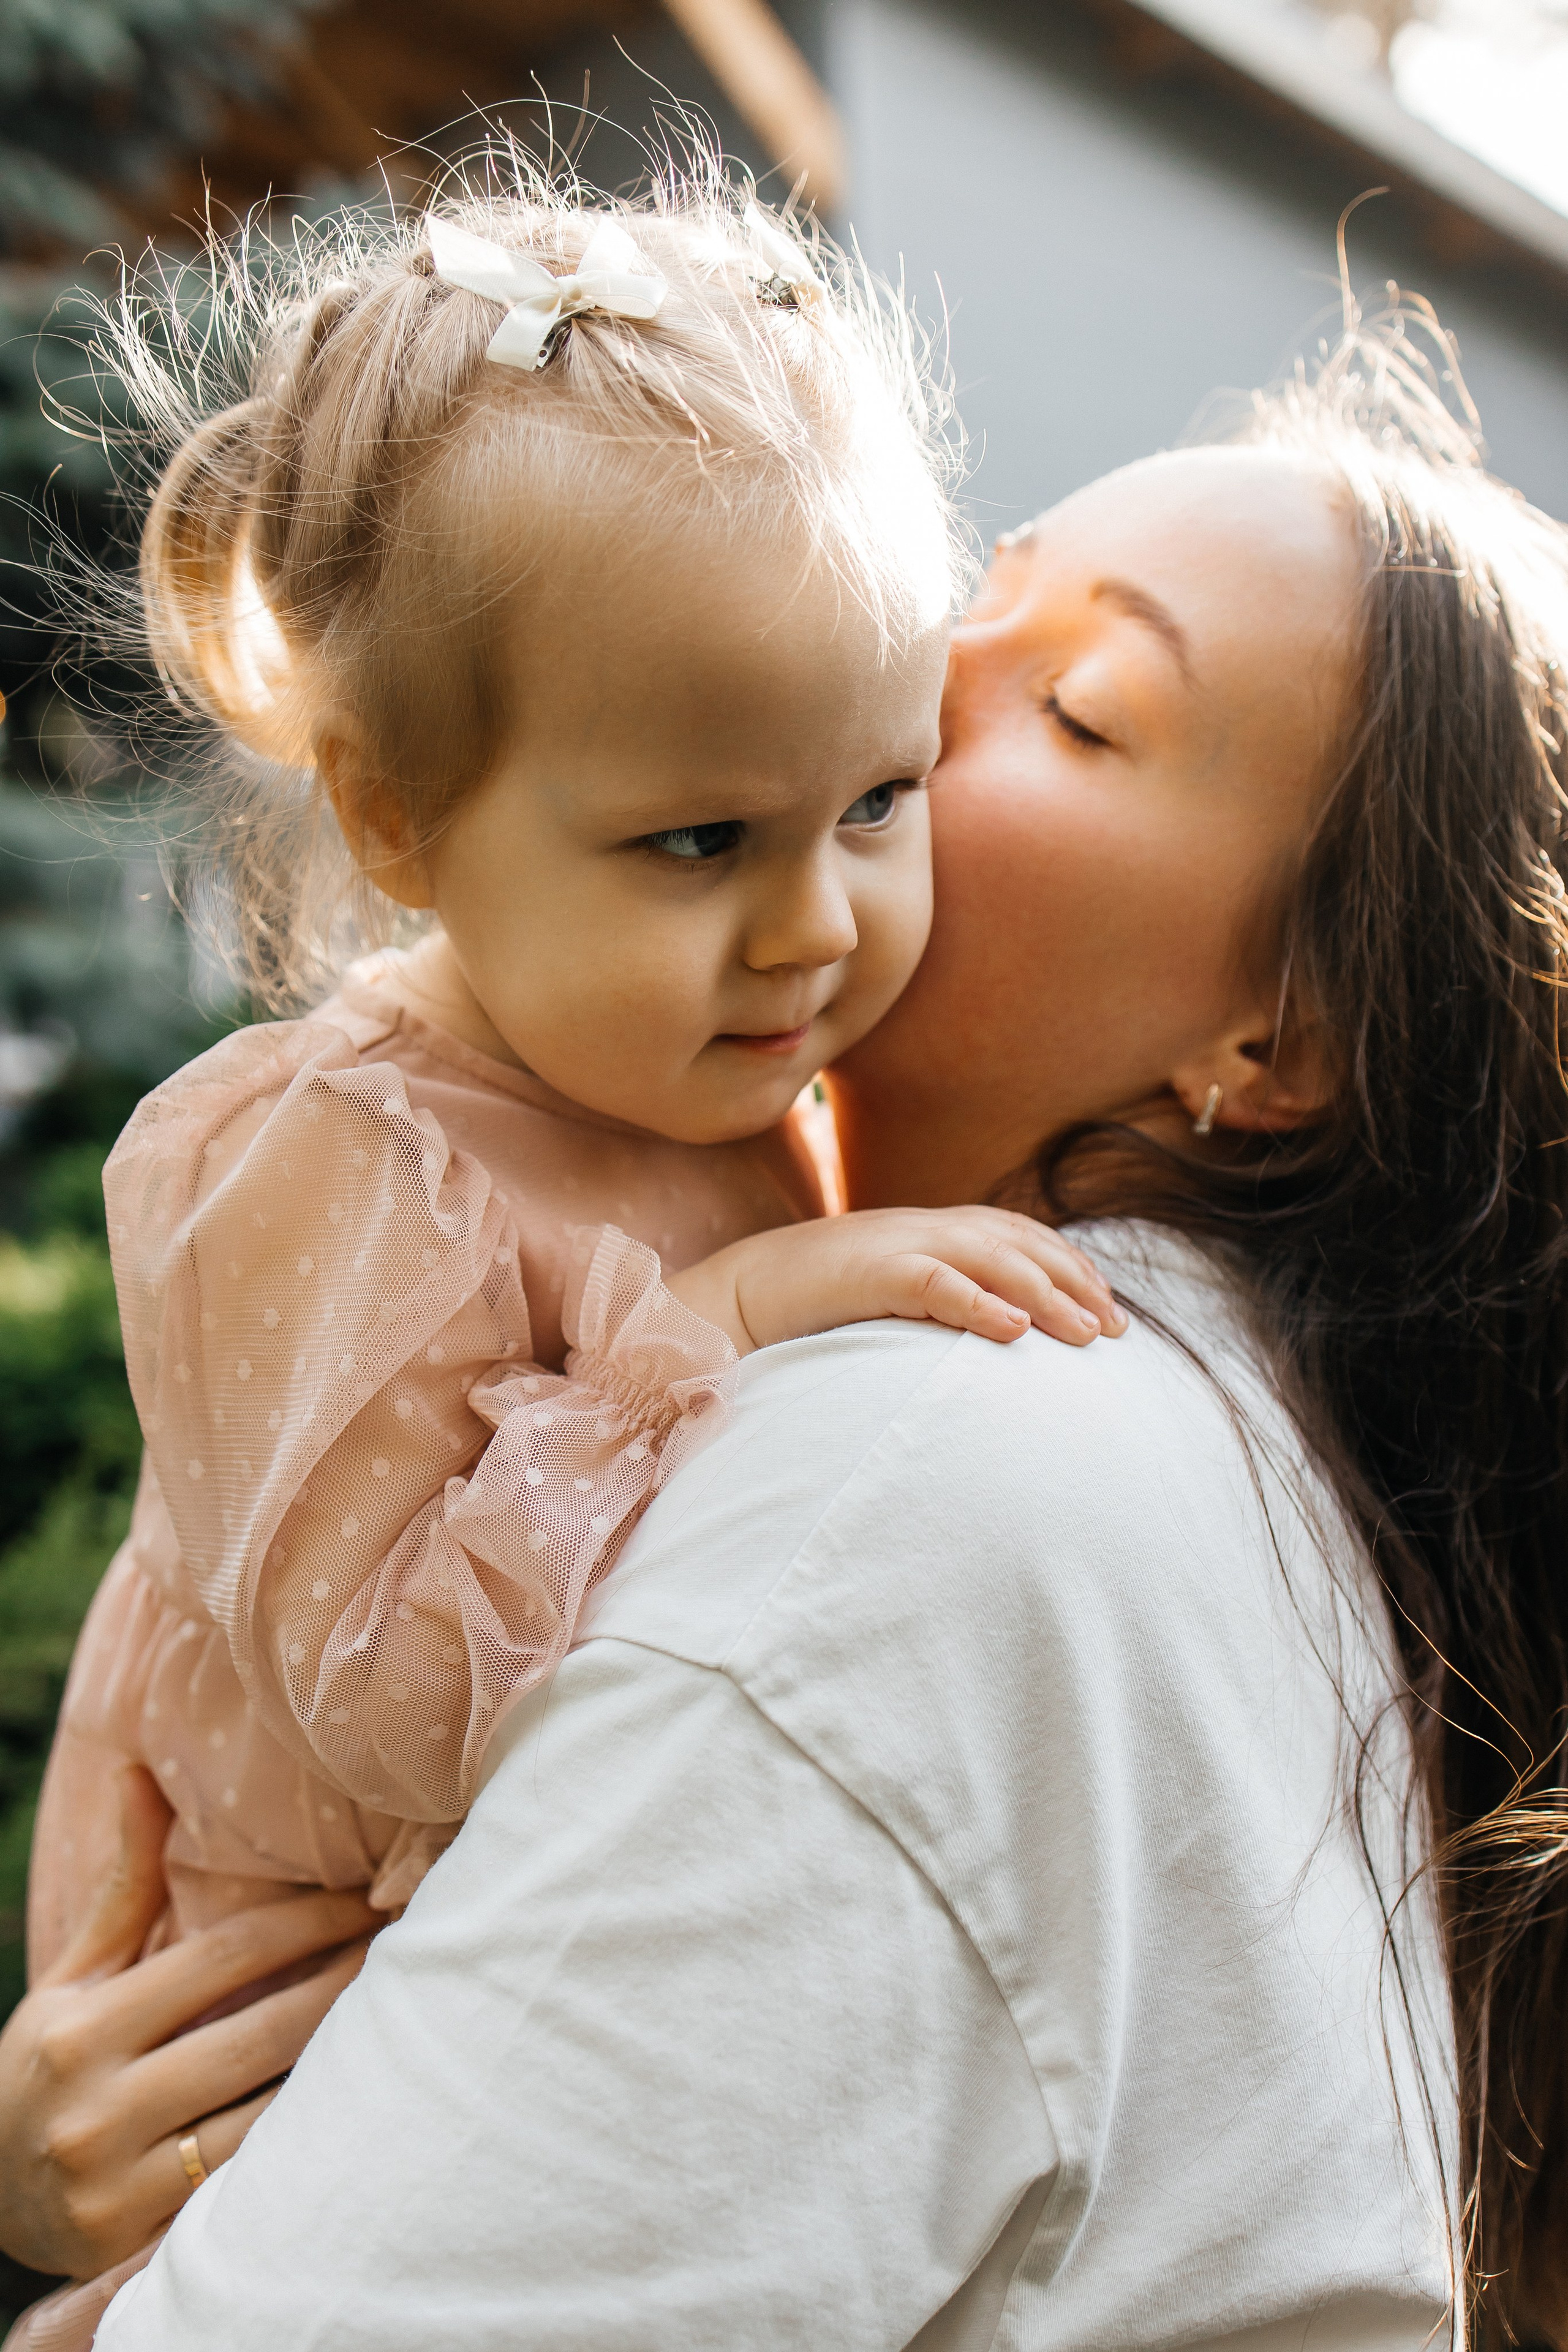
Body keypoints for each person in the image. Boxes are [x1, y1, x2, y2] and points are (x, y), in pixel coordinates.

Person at [8, 300, 1568, 2344]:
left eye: (1080, 708)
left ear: (1278, 1040)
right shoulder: (1223, 1467)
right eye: (970, 599)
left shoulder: (940, 1466)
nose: (915, 677)